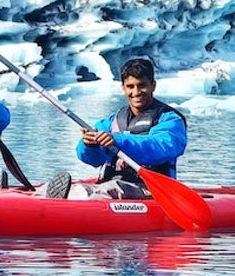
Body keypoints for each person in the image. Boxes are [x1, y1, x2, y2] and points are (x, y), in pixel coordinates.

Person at [69, 57, 187, 200]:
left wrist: (117, 140)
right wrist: (88, 145)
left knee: (109, 190)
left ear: (153, 86)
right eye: (130, 86)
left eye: (142, 85)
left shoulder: (170, 119)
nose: (136, 92)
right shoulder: (112, 121)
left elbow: (162, 147)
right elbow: (94, 160)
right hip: (113, 183)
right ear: (123, 88)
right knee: (76, 189)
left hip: (151, 190)